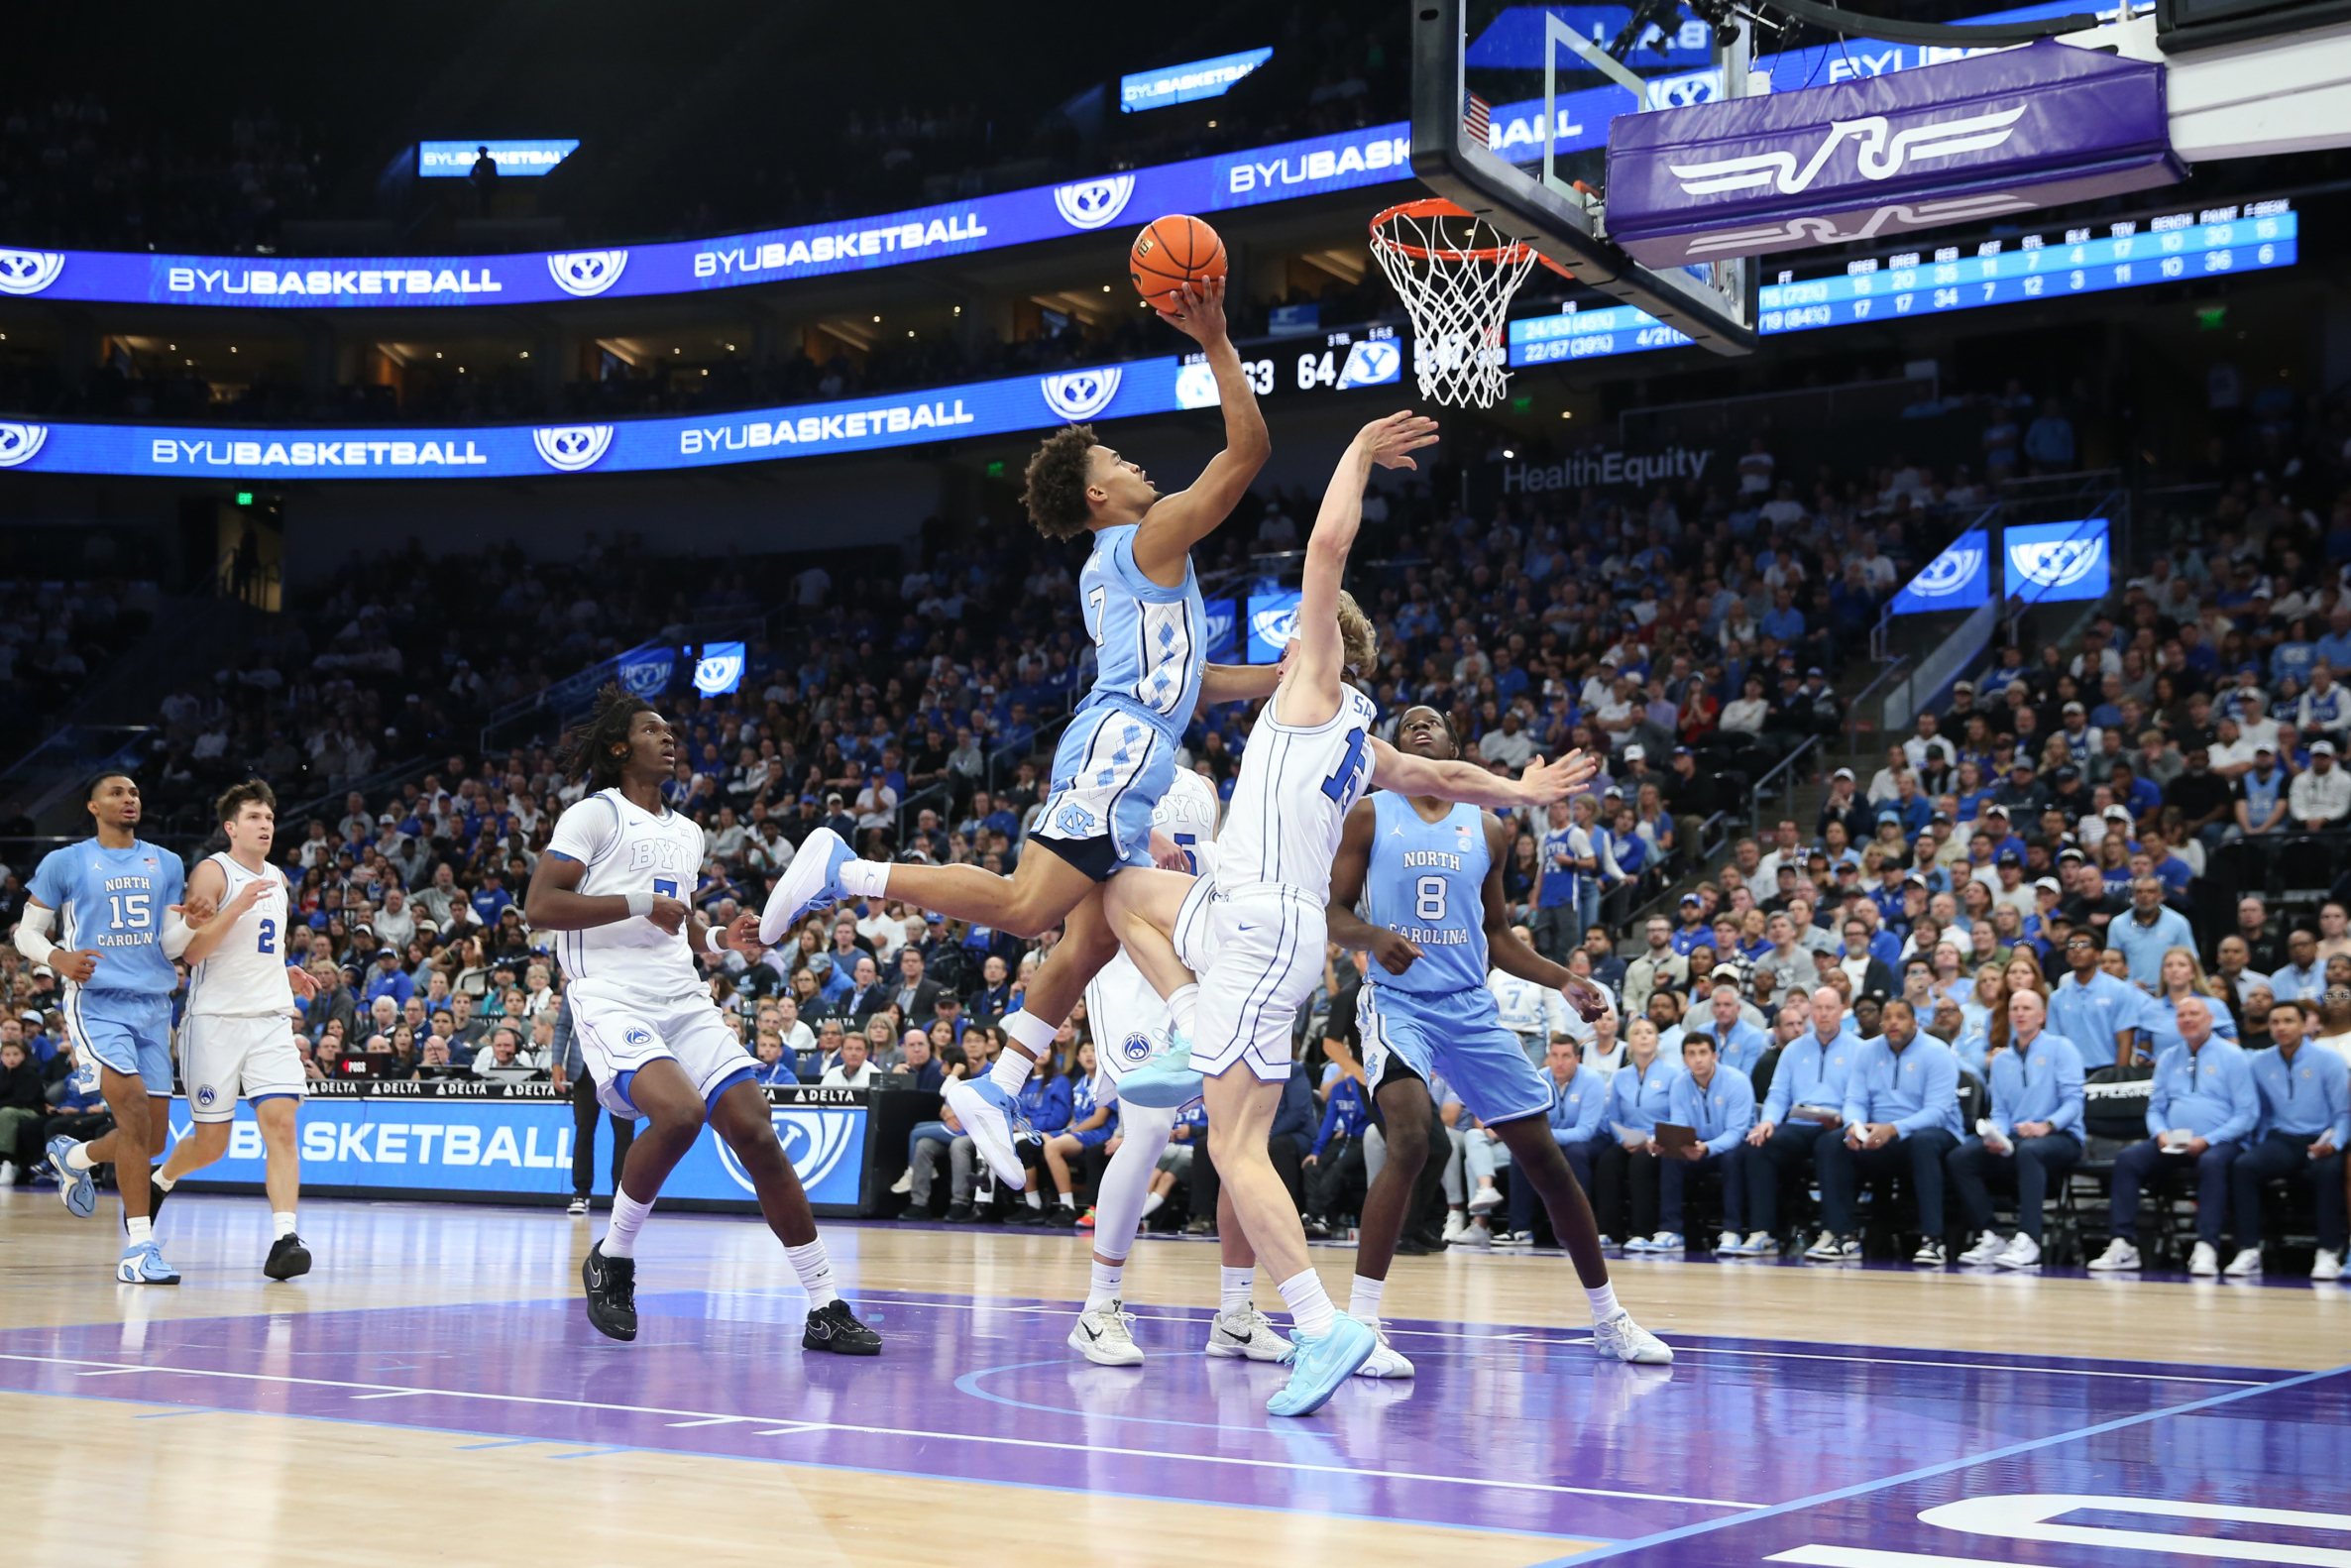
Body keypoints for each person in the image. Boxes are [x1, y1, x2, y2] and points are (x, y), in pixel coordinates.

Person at [1104, 411, 1640, 1417]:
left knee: (1230, 1146)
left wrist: (1347, 450)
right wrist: (1517, 792)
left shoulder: (1313, 682)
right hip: (1267, 924)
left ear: (1312, 641)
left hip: (1262, 924)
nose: (1283, 637)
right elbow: (1438, 769)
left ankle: (1320, 1324)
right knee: (1126, 890)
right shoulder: (1360, 735)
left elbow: (1326, 543)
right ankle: (1188, 1025)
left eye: (1295, 630)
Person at [760, 279, 1280, 1196]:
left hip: (1128, 747)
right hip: (1120, 755)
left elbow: (1190, 677)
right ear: (1097, 491)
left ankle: (997, 1088)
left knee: (1090, 942)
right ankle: (848, 869)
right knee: (1022, 908)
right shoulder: (1149, 537)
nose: (1139, 467)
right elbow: (1247, 452)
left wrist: (1285, 681)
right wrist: (1216, 337)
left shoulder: (1113, 568)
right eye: (1121, 459)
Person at [527, 686, 880, 1355]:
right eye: (652, 730)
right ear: (617, 747)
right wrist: (634, 902)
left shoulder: (686, 832)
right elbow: (541, 905)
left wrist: (722, 940)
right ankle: (614, 1256)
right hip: (609, 996)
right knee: (681, 1114)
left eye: (671, 730)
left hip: (681, 995)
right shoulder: (593, 816)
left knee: (756, 1131)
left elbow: (678, 923)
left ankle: (824, 1305)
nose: (669, 738)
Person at [1321, 703, 1641, 1377]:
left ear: (1457, 745)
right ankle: (1359, 1328)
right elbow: (1334, 912)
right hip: (1399, 1004)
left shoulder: (1488, 828)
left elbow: (1497, 937)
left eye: (1432, 720)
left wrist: (1564, 981)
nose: (1419, 724)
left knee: (1546, 1161)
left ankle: (1611, 1320)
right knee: (1408, 1140)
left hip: (1469, 1006)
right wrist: (1373, 937)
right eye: (1408, 723)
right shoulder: (1372, 814)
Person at [1064, 766, 1287, 1369]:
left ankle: (1236, 1315)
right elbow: (1068, 846)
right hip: (1129, 961)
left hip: (1197, 949)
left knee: (1240, 1135)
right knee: (1151, 1129)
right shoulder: (1106, 758)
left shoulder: (1205, 785)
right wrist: (1134, 837)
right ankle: (1098, 1308)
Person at [15, 772, 191, 1282]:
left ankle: (77, 1156)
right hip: (97, 1004)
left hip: (155, 1007)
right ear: (93, 806)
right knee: (133, 1114)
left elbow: (171, 942)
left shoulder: (167, 862)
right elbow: (25, 931)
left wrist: (195, 921)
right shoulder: (65, 861)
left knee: (154, 1139)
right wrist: (58, 958)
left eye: (134, 792)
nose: (129, 799)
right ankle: (140, 1248)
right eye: (117, 792)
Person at [153, 779, 326, 1280]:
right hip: (215, 1022)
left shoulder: (278, 877)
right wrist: (238, 904)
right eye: (254, 817)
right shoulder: (213, 871)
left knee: (283, 1125)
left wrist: (284, 969)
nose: (265, 824)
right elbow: (193, 951)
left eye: (270, 817)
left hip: (270, 1020)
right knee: (212, 1146)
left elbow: (260, 947)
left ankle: (285, 1240)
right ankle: (160, 1180)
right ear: (231, 827)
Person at [2088, 994, 2258, 1276]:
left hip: (2221, 1142)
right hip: (2174, 1141)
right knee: (2129, 1159)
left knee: (2212, 1163)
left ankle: (2207, 1246)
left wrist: (2208, 1140)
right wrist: (2160, 1134)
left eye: (2194, 1014)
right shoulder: (2168, 1058)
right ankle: (2123, 1244)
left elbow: (2247, 1114)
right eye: (2181, 1015)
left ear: (2210, 1020)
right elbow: (2155, 1108)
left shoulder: (2233, 1056)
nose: (2187, 1020)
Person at [1811, 998, 1963, 1264]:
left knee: (1924, 1143)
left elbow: (1937, 1111)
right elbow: (1855, 1099)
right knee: (1831, 1143)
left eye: (1900, 1017)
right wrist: (1855, 1127)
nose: (1893, 1022)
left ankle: (1933, 1240)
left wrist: (1893, 1129)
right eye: (1888, 1017)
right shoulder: (1867, 1051)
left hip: (1934, 1133)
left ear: (1915, 1022)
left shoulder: (1937, 1052)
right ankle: (1844, 1235)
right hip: (1879, 1134)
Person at [1948, 985, 2085, 1268]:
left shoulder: (2062, 1048)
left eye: (2027, 1009)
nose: (2020, 1014)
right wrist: (1996, 1134)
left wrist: (2046, 1125)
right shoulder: (2001, 1061)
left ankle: (2029, 1239)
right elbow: (2000, 1111)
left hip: (2062, 1136)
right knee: (1960, 1157)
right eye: (2015, 1009)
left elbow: (2074, 1103)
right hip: (2015, 1138)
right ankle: (1990, 1234)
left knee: (2030, 1152)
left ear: (2042, 1016)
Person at [1733, 987, 1861, 1256]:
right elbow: (1778, 1094)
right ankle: (1763, 1232)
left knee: (1830, 1146)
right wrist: (1767, 1122)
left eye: (1829, 1008)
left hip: (1837, 1124)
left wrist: (1845, 1120)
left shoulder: (1860, 1049)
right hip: (1799, 1123)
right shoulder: (1793, 1049)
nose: (1823, 1014)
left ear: (1841, 1012)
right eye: (1818, 1008)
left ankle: (1837, 1232)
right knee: (1759, 1144)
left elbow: (1859, 1096)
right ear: (1810, 1012)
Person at [2225, 998, 2347, 1279]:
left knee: (2328, 1172)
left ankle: (2328, 1251)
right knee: (2245, 1166)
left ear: (2305, 1025)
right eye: (2275, 1022)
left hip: (2322, 1137)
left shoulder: (2329, 1061)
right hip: (2284, 1138)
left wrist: (2335, 1143)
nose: (2281, 1027)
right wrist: (2258, 1142)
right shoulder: (2260, 1062)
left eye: (2289, 1021)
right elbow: (2261, 1112)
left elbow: (2343, 1112)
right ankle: (2249, 1249)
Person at [1635, 1032, 1755, 1255]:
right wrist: (1662, 1142)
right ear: (1684, 1060)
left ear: (1715, 1056)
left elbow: (1736, 1132)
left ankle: (1732, 1231)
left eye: (1703, 1053)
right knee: (1670, 1156)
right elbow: (1680, 1126)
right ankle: (1671, 1231)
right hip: (1697, 1147)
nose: (1698, 1059)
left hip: (1730, 1147)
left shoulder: (1737, 1081)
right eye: (1691, 1054)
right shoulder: (1680, 1084)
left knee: (1733, 1158)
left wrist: (1707, 1147)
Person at [552, 994, 636, 1216]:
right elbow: (563, 1025)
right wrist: (556, 1062)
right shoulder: (574, 979)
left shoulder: (620, 976)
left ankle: (622, 1194)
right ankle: (581, 1192)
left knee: (624, 1132)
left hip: (619, 1065)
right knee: (584, 1130)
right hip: (583, 1068)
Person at [2046, 928, 2145, 1072]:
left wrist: (2119, 1077)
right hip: (2069, 1072)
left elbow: (2125, 1040)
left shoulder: (2120, 990)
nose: (2077, 950)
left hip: (2108, 1069)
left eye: (2084, 945)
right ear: (2066, 956)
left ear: (2098, 955)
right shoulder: (2057, 998)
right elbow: (2054, 1042)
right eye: (2072, 946)